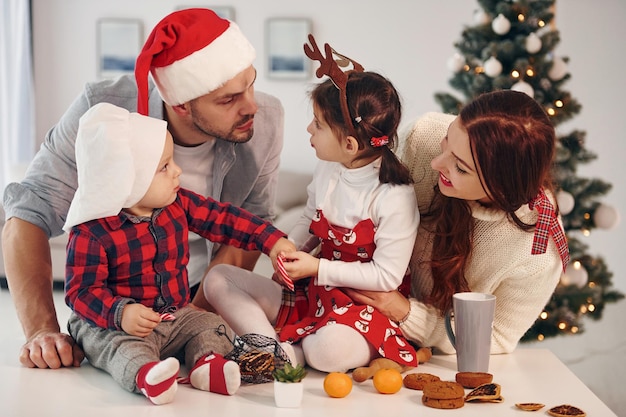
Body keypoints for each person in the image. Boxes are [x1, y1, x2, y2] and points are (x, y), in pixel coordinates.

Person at [2, 8, 284, 369]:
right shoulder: (100, 113)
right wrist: (42, 330)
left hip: (194, 295)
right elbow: (28, 214)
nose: (252, 106)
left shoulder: (266, 120)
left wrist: (190, 320)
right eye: (228, 99)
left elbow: (249, 220)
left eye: (251, 83)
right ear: (180, 104)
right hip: (117, 309)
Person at [204, 36, 420, 373]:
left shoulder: (393, 196)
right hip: (313, 295)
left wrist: (317, 267)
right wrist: (285, 248)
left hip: (362, 307)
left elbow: (385, 275)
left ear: (349, 144)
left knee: (327, 352)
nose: (308, 128)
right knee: (218, 280)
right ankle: (275, 351)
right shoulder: (328, 169)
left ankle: (284, 350)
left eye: (318, 124)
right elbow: (309, 219)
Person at [63, 102, 294, 405]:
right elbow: (81, 292)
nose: (178, 171)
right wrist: (121, 313)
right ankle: (148, 376)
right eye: (165, 167)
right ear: (128, 180)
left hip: (175, 314)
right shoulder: (91, 233)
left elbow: (224, 219)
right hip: (114, 324)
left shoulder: (177, 203)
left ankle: (208, 367)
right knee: (118, 348)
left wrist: (270, 240)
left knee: (212, 326)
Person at [344, 89, 570, 355]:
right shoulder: (423, 135)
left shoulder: (538, 250)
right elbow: (351, 205)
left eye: (461, 168)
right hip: (348, 295)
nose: (436, 163)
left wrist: (404, 312)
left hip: (437, 357)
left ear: (502, 186)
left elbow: (497, 336)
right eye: (446, 140)